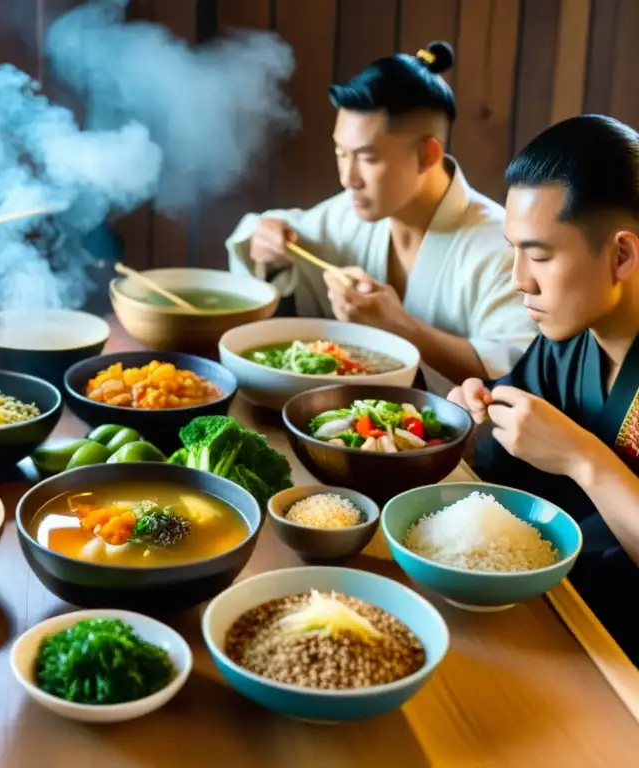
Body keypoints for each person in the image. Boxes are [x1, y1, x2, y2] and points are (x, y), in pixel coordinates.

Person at [226, 41, 536, 393]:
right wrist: (268, 242)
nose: (348, 177)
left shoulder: (503, 247)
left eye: (367, 158)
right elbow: (276, 230)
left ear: (426, 155)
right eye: (341, 154)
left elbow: (516, 370)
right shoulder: (348, 213)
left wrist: (400, 327)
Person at [449, 114, 639, 662]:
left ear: (621, 255)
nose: (518, 279)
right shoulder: (568, 335)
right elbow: (502, 458)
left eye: (540, 255)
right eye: (514, 251)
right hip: (551, 617)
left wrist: (582, 458)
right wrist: (472, 417)